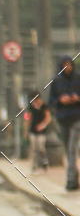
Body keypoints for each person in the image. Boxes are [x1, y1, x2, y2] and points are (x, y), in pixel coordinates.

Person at [49, 56, 80, 190]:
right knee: (67, 150)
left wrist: (76, 98)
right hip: (62, 119)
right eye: (65, 65)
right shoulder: (56, 81)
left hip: (76, 117)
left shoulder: (78, 78)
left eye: (70, 65)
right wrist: (61, 100)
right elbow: (51, 101)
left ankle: (71, 180)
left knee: (72, 149)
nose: (68, 67)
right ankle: (74, 173)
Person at [26, 90, 51, 172]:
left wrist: (42, 125)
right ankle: (34, 165)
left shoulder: (44, 106)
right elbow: (28, 118)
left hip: (41, 131)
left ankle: (44, 161)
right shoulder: (31, 106)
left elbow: (48, 118)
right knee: (33, 148)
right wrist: (26, 129)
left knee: (41, 146)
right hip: (32, 130)